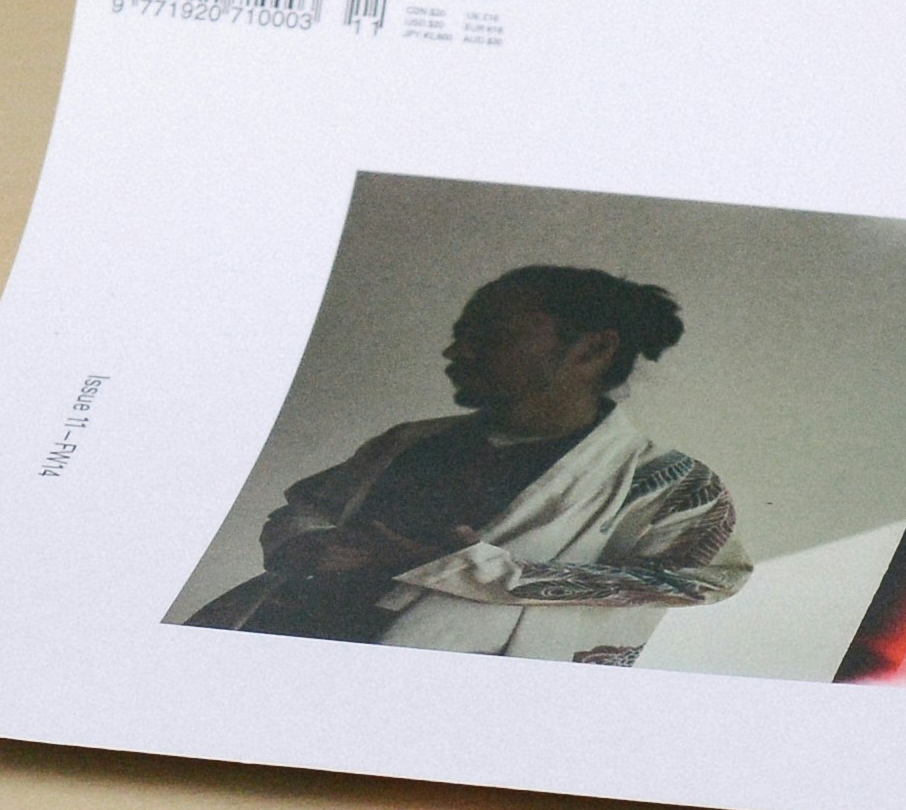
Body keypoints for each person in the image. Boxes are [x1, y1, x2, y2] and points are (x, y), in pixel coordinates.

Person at [183, 263, 754, 663]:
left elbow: (704, 580)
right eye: (460, 335)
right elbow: (308, 508)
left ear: (592, 349)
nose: (456, 352)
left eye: (490, 335)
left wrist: (463, 567)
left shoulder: (672, 485)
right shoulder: (408, 440)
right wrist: (309, 542)